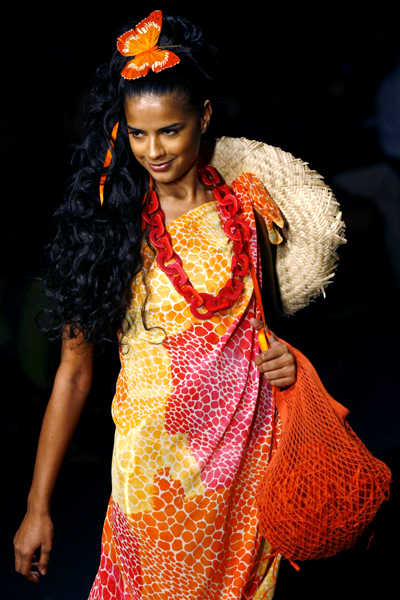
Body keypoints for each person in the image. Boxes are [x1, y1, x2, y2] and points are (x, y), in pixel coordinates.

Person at [13, 10, 301, 600]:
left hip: (251, 467)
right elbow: (73, 374)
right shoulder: (107, 228)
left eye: (169, 130)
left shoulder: (247, 207)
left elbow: (268, 332)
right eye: (138, 133)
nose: (154, 150)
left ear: (204, 117)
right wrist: (37, 506)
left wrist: (286, 360)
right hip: (155, 479)